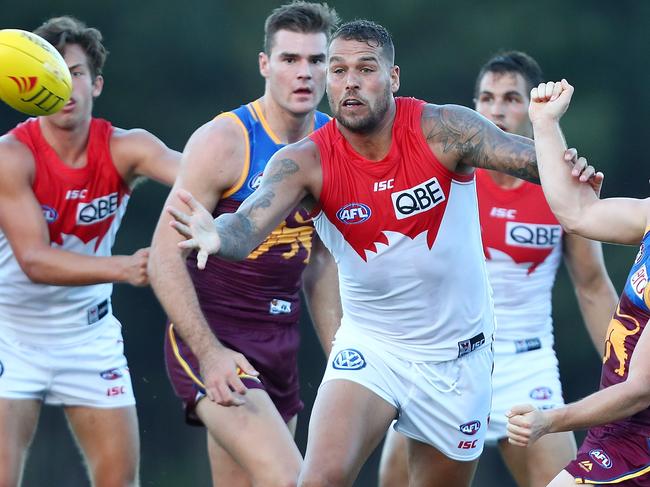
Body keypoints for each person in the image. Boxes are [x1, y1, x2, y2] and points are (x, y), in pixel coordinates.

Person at [166, 21, 598, 487]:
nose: (349, 81)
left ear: (393, 78)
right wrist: (218, 235)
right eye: (338, 70)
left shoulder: (443, 128)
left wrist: (553, 138)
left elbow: (535, 162)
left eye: (365, 69)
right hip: (372, 347)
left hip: (458, 356)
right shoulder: (304, 160)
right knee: (319, 478)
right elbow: (246, 224)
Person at [378, 51, 618, 487]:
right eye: (486, 99)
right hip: (445, 361)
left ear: (532, 109)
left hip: (526, 366)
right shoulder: (447, 176)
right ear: (473, 108)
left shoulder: (559, 186)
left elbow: (592, 287)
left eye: (510, 98)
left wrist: (626, 379)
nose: (496, 110)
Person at [147, 3, 340, 486]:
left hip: (281, 343)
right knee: (296, 480)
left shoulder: (332, 142)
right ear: (264, 64)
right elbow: (162, 258)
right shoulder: (225, 141)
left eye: (316, 61)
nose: (304, 73)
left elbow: (319, 262)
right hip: (216, 337)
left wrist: (344, 357)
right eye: (290, 59)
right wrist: (210, 354)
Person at [0, 16, 179, 487]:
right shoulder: (10, 156)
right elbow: (34, 261)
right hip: (10, 334)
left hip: (88, 336)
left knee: (120, 481)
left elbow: (201, 177)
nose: (64, 84)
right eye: (53, 69)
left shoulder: (127, 147)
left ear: (96, 84)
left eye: (76, 72)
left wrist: (274, 177)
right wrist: (126, 267)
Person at [506, 80, 650, 486]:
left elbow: (640, 389)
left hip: (637, 446)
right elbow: (579, 213)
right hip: (618, 434)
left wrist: (550, 420)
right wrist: (545, 122)